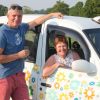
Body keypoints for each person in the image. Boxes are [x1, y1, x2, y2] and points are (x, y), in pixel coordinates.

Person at [0, 4, 63, 100]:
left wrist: (51, 14)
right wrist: (18, 55)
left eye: (20, 16)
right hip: (4, 78)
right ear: (8, 16)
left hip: (19, 75)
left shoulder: (21, 28)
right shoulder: (2, 33)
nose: (17, 18)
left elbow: (36, 21)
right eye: (14, 16)